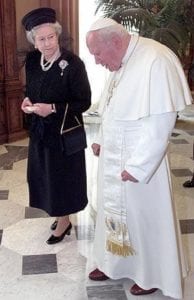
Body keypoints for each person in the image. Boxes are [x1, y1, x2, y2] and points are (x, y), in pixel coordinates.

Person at [86, 18, 193, 298]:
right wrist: (100, 140)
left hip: (141, 162)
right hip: (113, 157)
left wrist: (138, 166)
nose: (97, 61)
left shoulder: (155, 60)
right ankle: (113, 263)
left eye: (97, 54)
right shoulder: (119, 60)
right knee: (113, 214)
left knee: (144, 219)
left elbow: (162, 122)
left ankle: (152, 273)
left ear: (116, 42)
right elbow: (109, 105)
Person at [21, 7, 91, 245]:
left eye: (52, 37)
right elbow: (30, 89)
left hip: (63, 134)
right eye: (41, 39)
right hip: (40, 132)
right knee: (44, 176)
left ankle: (65, 220)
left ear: (58, 36)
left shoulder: (73, 63)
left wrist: (51, 108)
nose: (48, 43)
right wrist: (27, 101)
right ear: (33, 41)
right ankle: (58, 214)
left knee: (63, 179)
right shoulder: (32, 60)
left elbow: (84, 101)